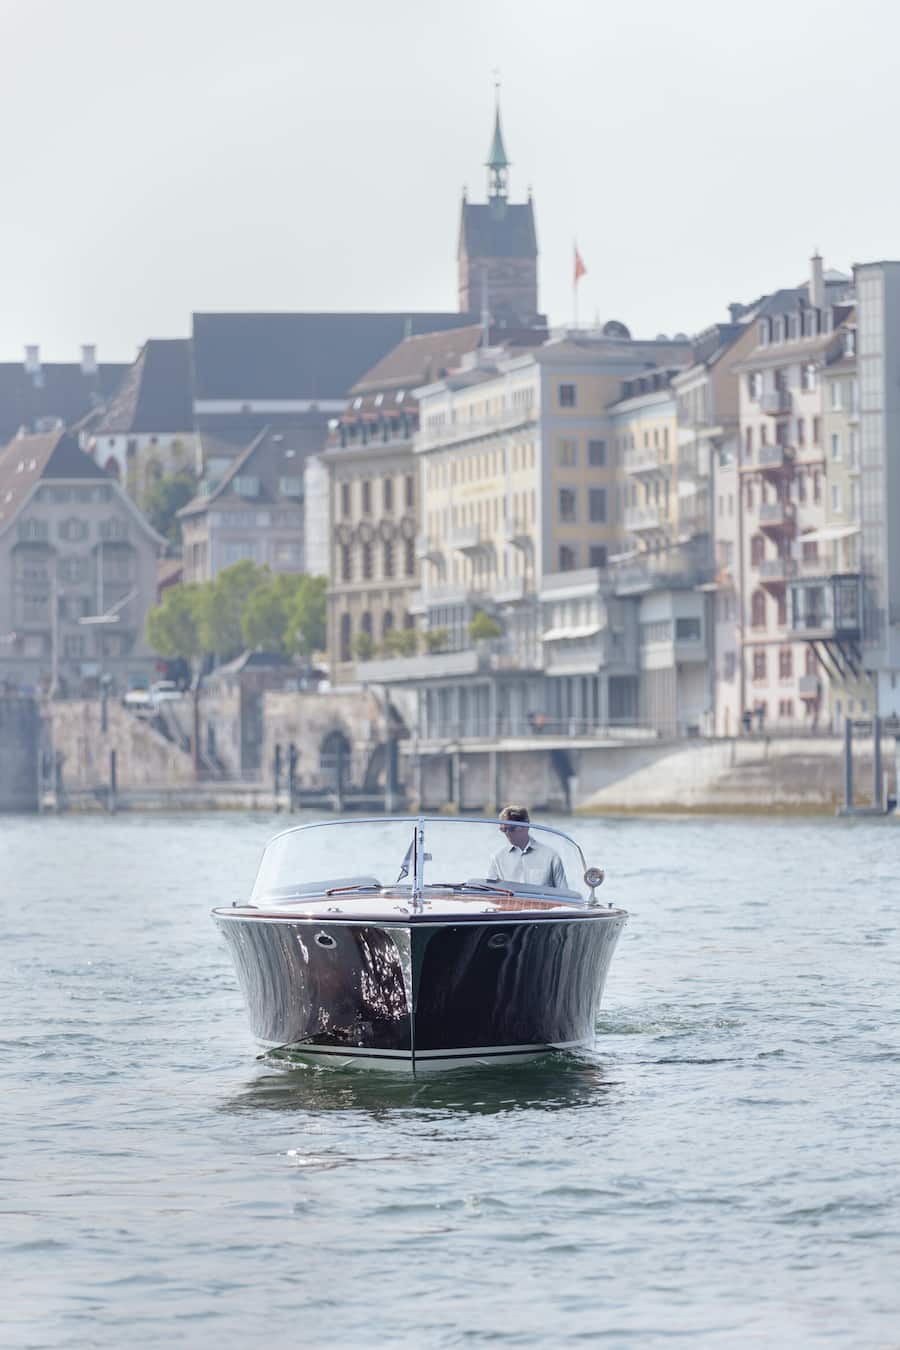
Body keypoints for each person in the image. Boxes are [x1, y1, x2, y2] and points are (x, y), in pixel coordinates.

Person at [486, 804, 568, 889]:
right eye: (503, 829)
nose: (507, 833)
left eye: (511, 829)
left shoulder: (551, 856)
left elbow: (564, 892)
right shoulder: (498, 858)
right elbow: (489, 890)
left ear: (526, 827)